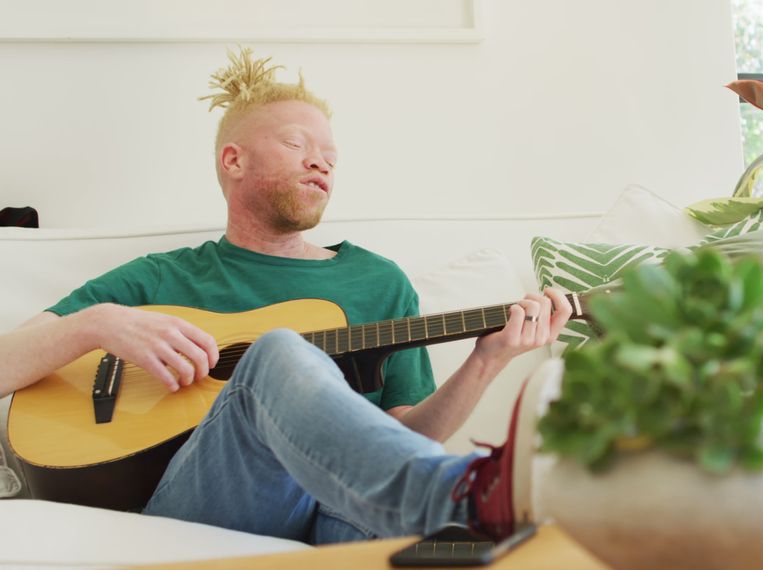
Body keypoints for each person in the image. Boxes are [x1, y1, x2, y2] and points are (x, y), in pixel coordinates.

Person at [0, 48, 572, 544]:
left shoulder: (378, 280)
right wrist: (97, 324)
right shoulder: (157, 279)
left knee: (414, 530)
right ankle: (469, 493)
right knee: (277, 351)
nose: (321, 160)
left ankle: (483, 522)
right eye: (297, 143)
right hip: (210, 504)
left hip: (339, 510)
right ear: (234, 160)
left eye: (330, 154)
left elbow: (402, 439)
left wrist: (486, 359)